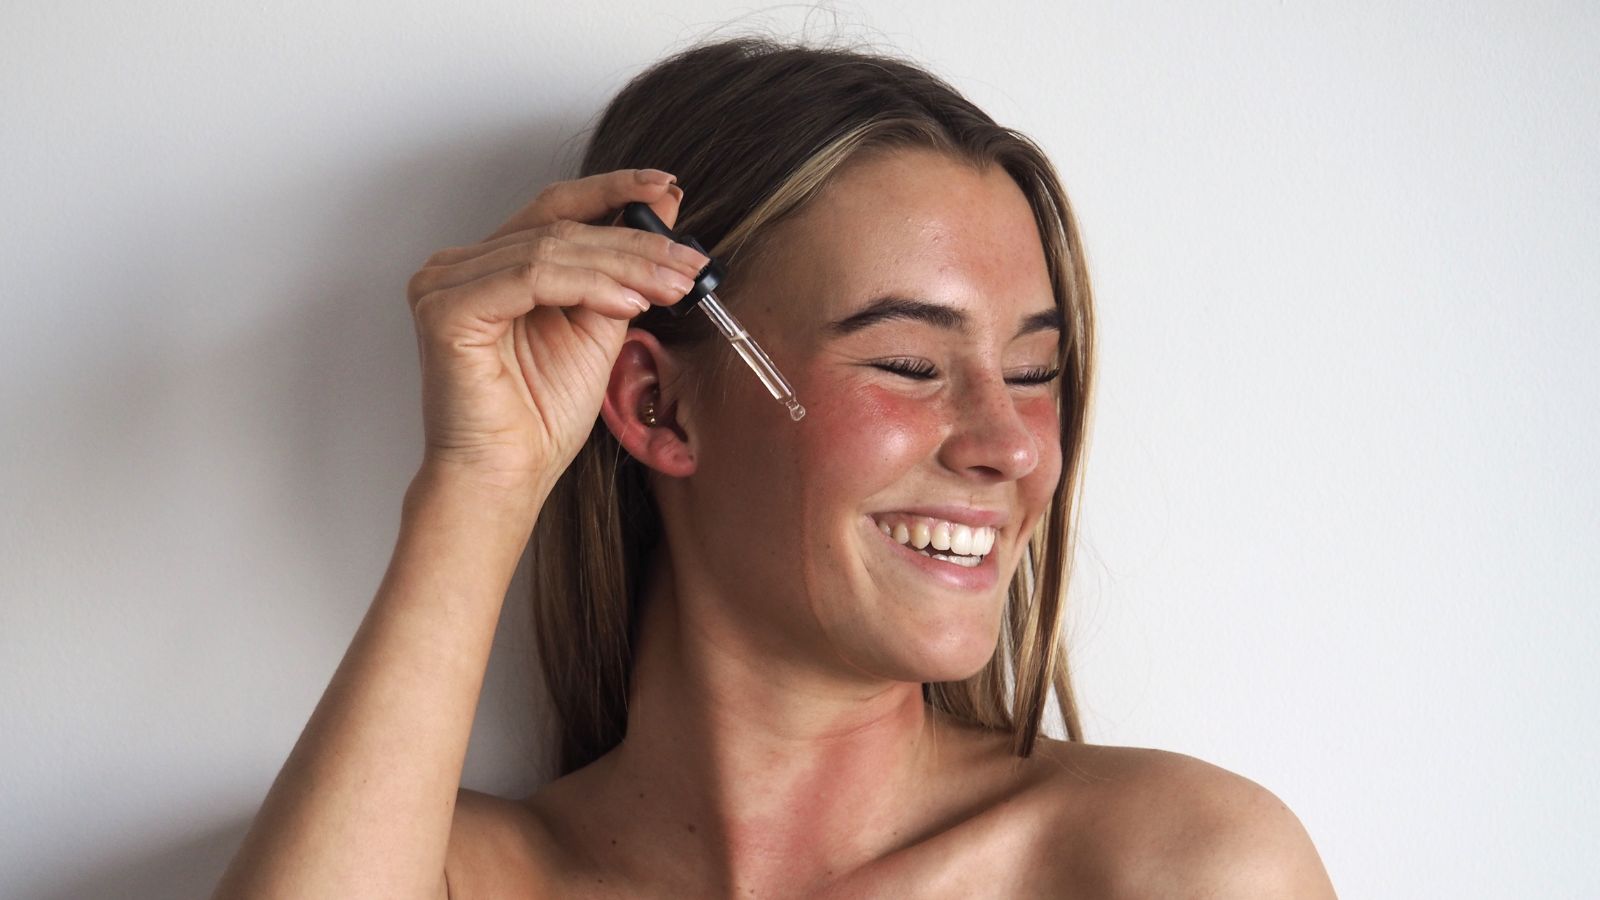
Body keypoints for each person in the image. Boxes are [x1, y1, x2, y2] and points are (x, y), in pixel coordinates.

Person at [214, 36, 1337, 898]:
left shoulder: (1176, 870)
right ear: (656, 405)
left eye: (1034, 372)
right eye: (909, 364)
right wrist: (479, 480)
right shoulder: (446, 873)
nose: (1011, 445)